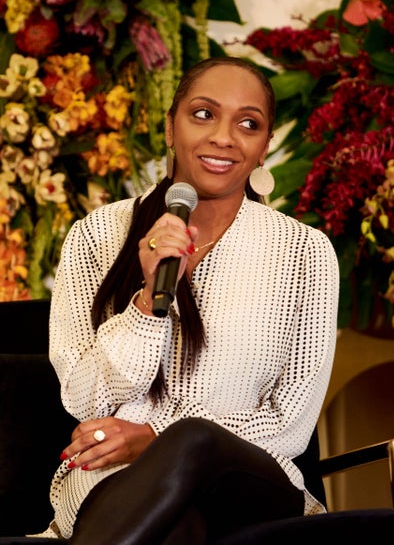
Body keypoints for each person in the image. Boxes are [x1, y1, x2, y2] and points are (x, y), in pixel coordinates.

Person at [37, 56, 339, 543]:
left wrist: (156, 438)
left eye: (248, 124)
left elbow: (291, 425)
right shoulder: (97, 235)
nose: (224, 137)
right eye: (203, 114)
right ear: (169, 127)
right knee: (178, 528)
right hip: (114, 478)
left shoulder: (305, 252)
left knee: (194, 438)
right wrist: (147, 305)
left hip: (248, 478)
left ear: (264, 147)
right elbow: (84, 397)